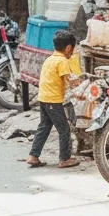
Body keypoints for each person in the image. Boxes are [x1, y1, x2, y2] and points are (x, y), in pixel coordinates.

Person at [26, 30, 80, 169]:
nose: (72, 53)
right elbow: (69, 79)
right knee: (64, 129)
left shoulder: (49, 59)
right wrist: (80, 84)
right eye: (72, 50)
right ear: (69, 48)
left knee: (44, 126)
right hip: (53, 100)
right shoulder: (62, 61)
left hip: (43, 98)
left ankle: (33, 155)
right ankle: (64, 158)